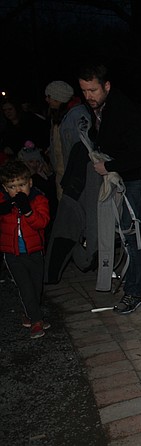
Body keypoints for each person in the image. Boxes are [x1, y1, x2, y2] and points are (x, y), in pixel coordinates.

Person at [78, 62, 141, 314]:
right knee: (132, 231)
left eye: (92, 90)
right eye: (84, 91)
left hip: (140, 178)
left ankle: (134, 293)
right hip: (128, 177)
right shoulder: (100, 107)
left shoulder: (125, 110)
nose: (88, 96)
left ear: (107, 86)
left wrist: (109, 165)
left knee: (129, 234)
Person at [0, 160, 51, 338]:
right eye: (12, 186)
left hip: (34, 252)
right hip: (13, 254)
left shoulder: (38, 199)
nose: (18, 190)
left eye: (21, 185)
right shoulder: (5, 202)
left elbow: (42, 222)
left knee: (36, 287)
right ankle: (37, 322)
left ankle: (30, 313)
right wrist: (5, 209)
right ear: (5, 188)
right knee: (25, 287)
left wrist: (28, 210)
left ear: (30, 183)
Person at [44, 80, 92, 201]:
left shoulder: (78, 115)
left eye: (49, 97)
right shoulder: (58, 116)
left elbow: (83, 148)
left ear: (58, 98)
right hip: (61, 174)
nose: (47, 100)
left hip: (73, 177)